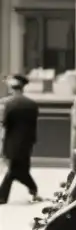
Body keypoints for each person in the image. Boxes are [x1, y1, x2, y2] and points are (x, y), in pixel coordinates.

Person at [0, 74, 42, 205]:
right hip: (27, 142)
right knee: (19, 169)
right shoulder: (32, 104)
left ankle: (32, 189)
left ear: (12, 88)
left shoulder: (8, 103)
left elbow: (5, 124)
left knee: (14, 171)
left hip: (12, 142)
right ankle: (31, 190)